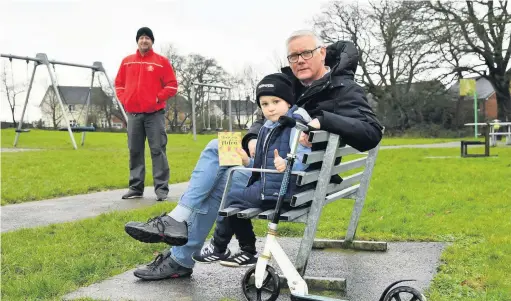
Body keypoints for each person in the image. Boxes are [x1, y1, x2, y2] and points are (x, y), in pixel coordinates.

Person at [124, 29, 383, 280]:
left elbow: (371, 132)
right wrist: (252, 138)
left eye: (306, 53)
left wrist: (323, 120)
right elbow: (263, 119)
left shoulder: (343, 89)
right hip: (271, 167)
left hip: (298, 179)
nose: (299, 60)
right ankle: (177, 227)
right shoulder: (291, 84)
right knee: (219, 150)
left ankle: (179, 244)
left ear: (322, 53)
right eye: (293, 56)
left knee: (220, 177)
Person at [191, 73, 312, 266]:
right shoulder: (269, 126)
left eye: (276, 101)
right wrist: (248, 160)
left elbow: (302, 158)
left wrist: (288, 164)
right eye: (264, 104)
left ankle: (221, 247)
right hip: (276, 186)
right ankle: (244, 250)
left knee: (232, 199)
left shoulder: (294, 125)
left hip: (282, 191)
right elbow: (266, 163)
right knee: (237, 198)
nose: (270, 108)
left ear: (288, 102)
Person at [115, 27, 178, 202]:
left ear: (152, 41)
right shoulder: (127, 62)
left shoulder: (161, 62)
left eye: (147, 38)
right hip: (133, 115)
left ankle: (161, 189)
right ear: (137, 41)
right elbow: (119, 84)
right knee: (135, 150)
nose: (144, 41)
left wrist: (158, 98)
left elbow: (172, 85)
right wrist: (124, 99)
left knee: (158, 150)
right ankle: (135, 188)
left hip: (154, 114)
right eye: (141, 38)